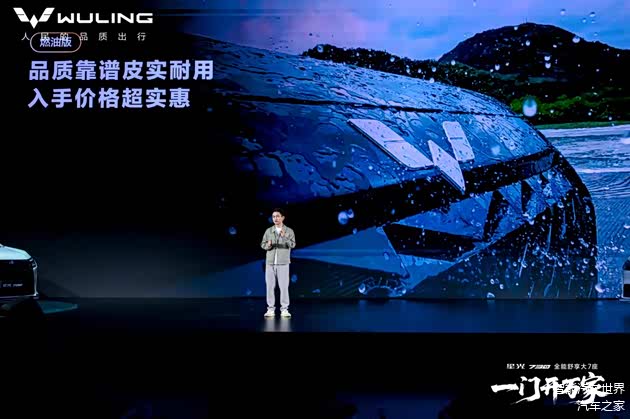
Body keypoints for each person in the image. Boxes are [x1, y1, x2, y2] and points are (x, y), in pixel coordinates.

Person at [260, 208, 296, 318]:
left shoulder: (289, 231)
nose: (275, 218)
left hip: (283, 263)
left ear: (282, 217)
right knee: (270, 287)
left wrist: (285, 236)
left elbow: (293, 245)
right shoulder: (268, 231)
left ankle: (284, 309)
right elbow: (263, 244)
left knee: (284, 287)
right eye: (273, 216)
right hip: (270, 263)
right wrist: (268, 245)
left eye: (277, 216)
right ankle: (270, 309)